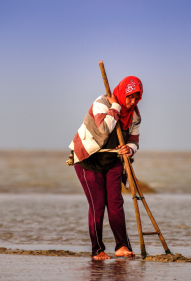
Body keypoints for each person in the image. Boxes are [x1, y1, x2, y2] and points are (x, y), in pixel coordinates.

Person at [69, 76, 143, 260]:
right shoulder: (101, 103)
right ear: (122, 93)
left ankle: (122, 246)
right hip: (88, 159)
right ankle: (97, 250)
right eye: (129, 97)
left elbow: (134, 141)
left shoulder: (134, 115)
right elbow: (103, 129)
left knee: (116, 203)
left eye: (136, 98)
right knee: (97, 205)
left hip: (113, 160)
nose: (132, 102)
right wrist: (115, 107)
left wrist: (129, 149)